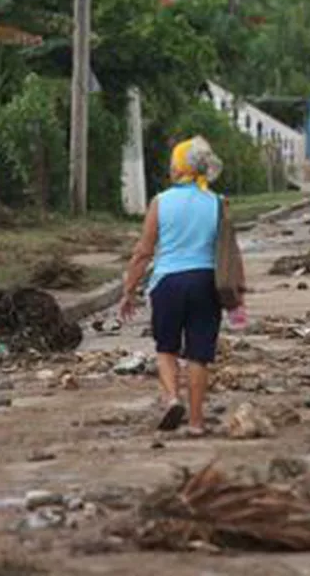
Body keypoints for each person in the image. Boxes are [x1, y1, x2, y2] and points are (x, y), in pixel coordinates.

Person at [120, 137, 241, 436]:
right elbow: (229, 252)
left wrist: (129, 290)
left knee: (166, 349)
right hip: (205, 282)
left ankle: (172, 398)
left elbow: (144, 251)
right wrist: (238, 299)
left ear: (179, 167)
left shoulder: (160, 202)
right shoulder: (217, 202)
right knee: (199, 355)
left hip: (168, 284)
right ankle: (197, 423)